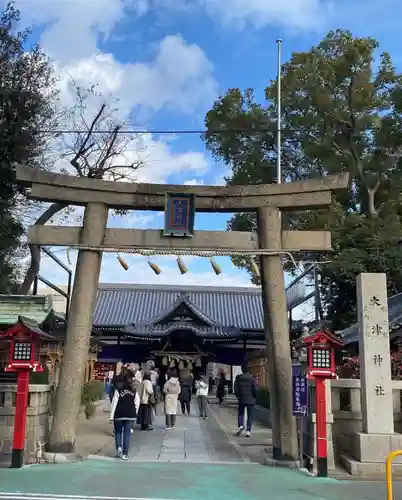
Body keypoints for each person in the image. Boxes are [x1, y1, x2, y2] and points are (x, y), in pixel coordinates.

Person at [109, 373, 140, 460]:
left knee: (118, 432)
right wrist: (135, 412)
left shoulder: (118, 390)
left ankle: (118, 447)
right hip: (130, 414)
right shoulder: (134, 391)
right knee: (127, 434)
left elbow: (114, 404)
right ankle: (125, 453)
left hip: (119, 414)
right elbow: (137, 402)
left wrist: (111, 416)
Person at [234, 364, 257, 438]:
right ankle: (248, 431)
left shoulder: (238, 377)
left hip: (241, 398)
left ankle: (240, 425)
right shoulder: (252, 378)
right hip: (250, 399)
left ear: (242, 369)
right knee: (250, 415)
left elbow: (236, 388)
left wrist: (238, 396)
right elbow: (255, 389)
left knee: (241, 413)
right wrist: (255, 397)